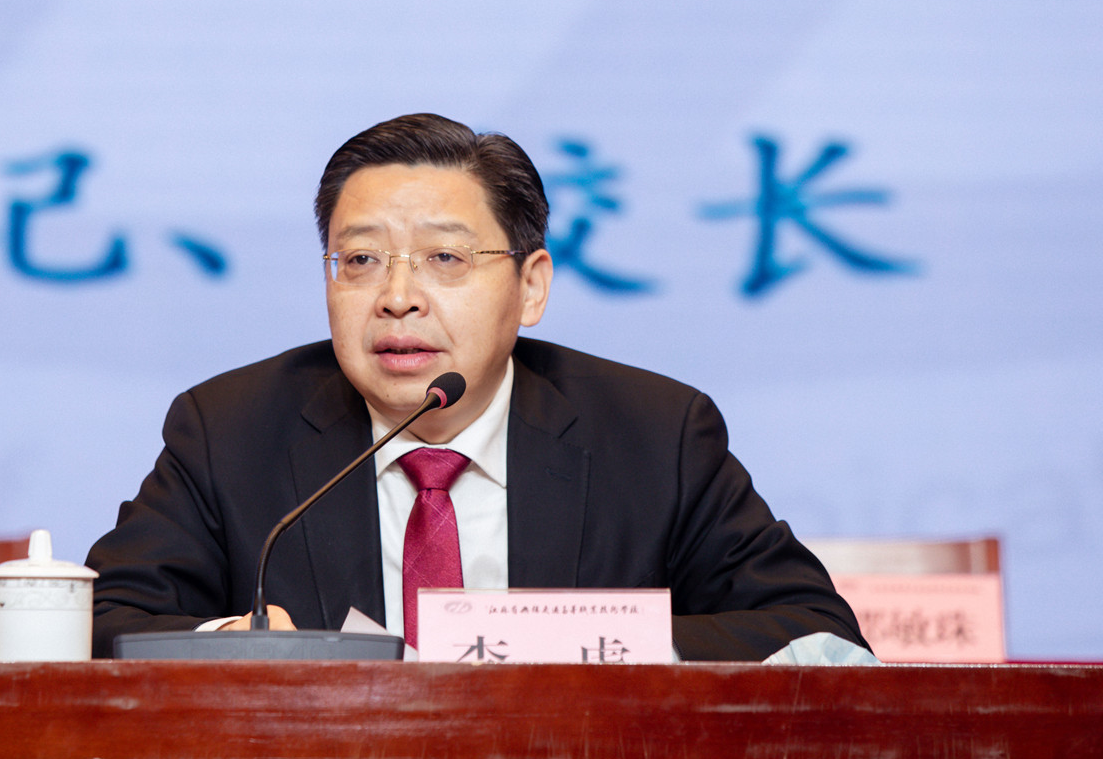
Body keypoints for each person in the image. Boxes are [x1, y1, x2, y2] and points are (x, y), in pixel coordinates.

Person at [86, 113, 866, 660]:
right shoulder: (231, 431)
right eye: (360, 261)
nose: (397, 297)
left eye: (445, 260)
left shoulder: (655, 435)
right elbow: (98, 622)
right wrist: (225, 647)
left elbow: (814, 632)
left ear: (531, 287)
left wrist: (580, 647)